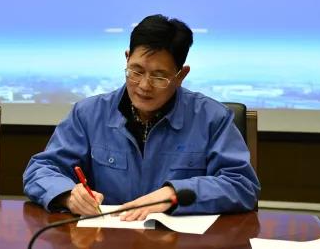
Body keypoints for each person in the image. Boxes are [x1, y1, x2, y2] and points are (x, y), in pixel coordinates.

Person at [23, 14, 260, 219]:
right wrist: (68, 195)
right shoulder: (88, 114)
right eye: (136, 71)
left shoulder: (212, 118)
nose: (144, 86)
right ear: (127, 58)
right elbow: (41, 170)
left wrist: (173, 194)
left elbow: (242, 185)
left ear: (181, 75)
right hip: (108, 238)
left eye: (159, 76)